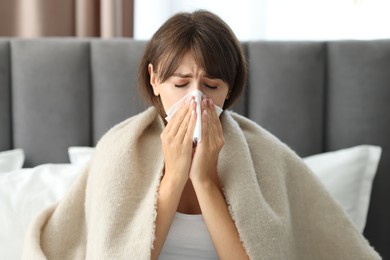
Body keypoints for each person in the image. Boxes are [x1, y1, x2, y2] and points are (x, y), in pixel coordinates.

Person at [22, 10, 380, 260]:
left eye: (211, 85)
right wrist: (175, 176)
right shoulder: (119, 150)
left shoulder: (266, 155)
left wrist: (205, 180)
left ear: (229, 90)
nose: (195, 97)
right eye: (180, 83)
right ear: (154, 81)